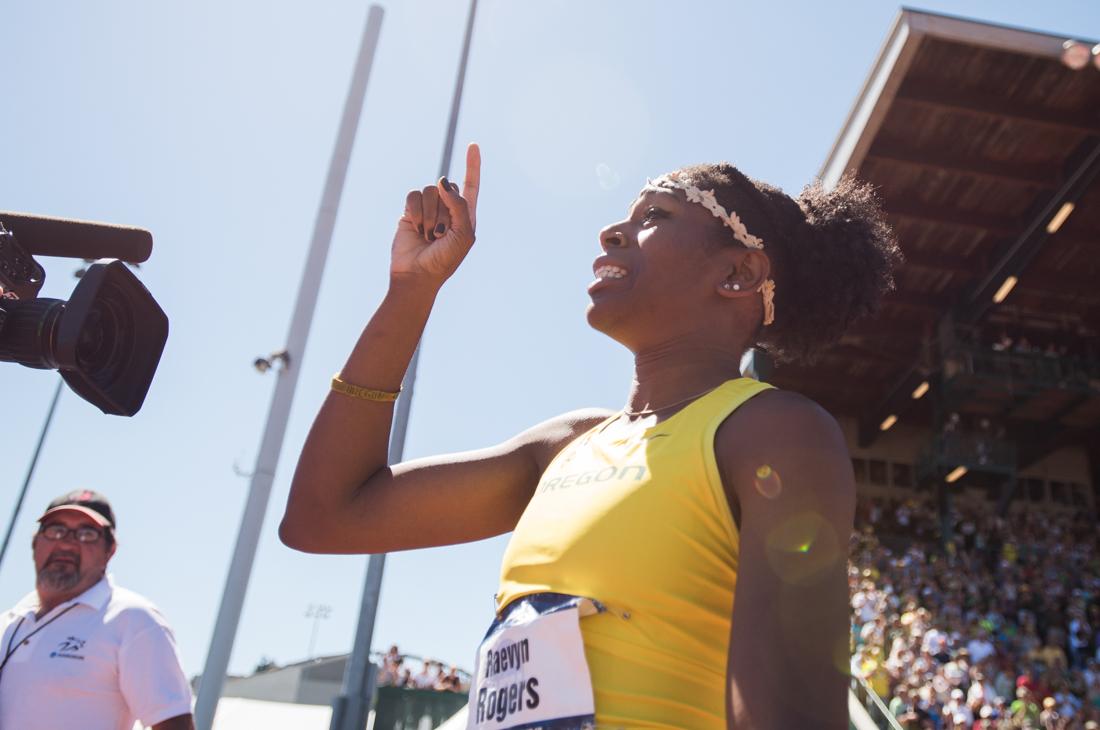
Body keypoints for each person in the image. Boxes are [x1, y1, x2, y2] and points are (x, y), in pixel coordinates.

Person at [281, 143, 901, 728]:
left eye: (655, 214)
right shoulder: (567, 444)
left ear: (739, 272)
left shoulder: (773, 432)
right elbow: (325, 516)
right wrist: (411, 291)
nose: (611, 231)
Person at [0, 490, 193, 730]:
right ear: (35, 542)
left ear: (110, 550)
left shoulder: (132, 619)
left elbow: (174, 725)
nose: (67, 543)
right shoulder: (8, 623)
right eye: (55, 530)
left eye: (86, 534)